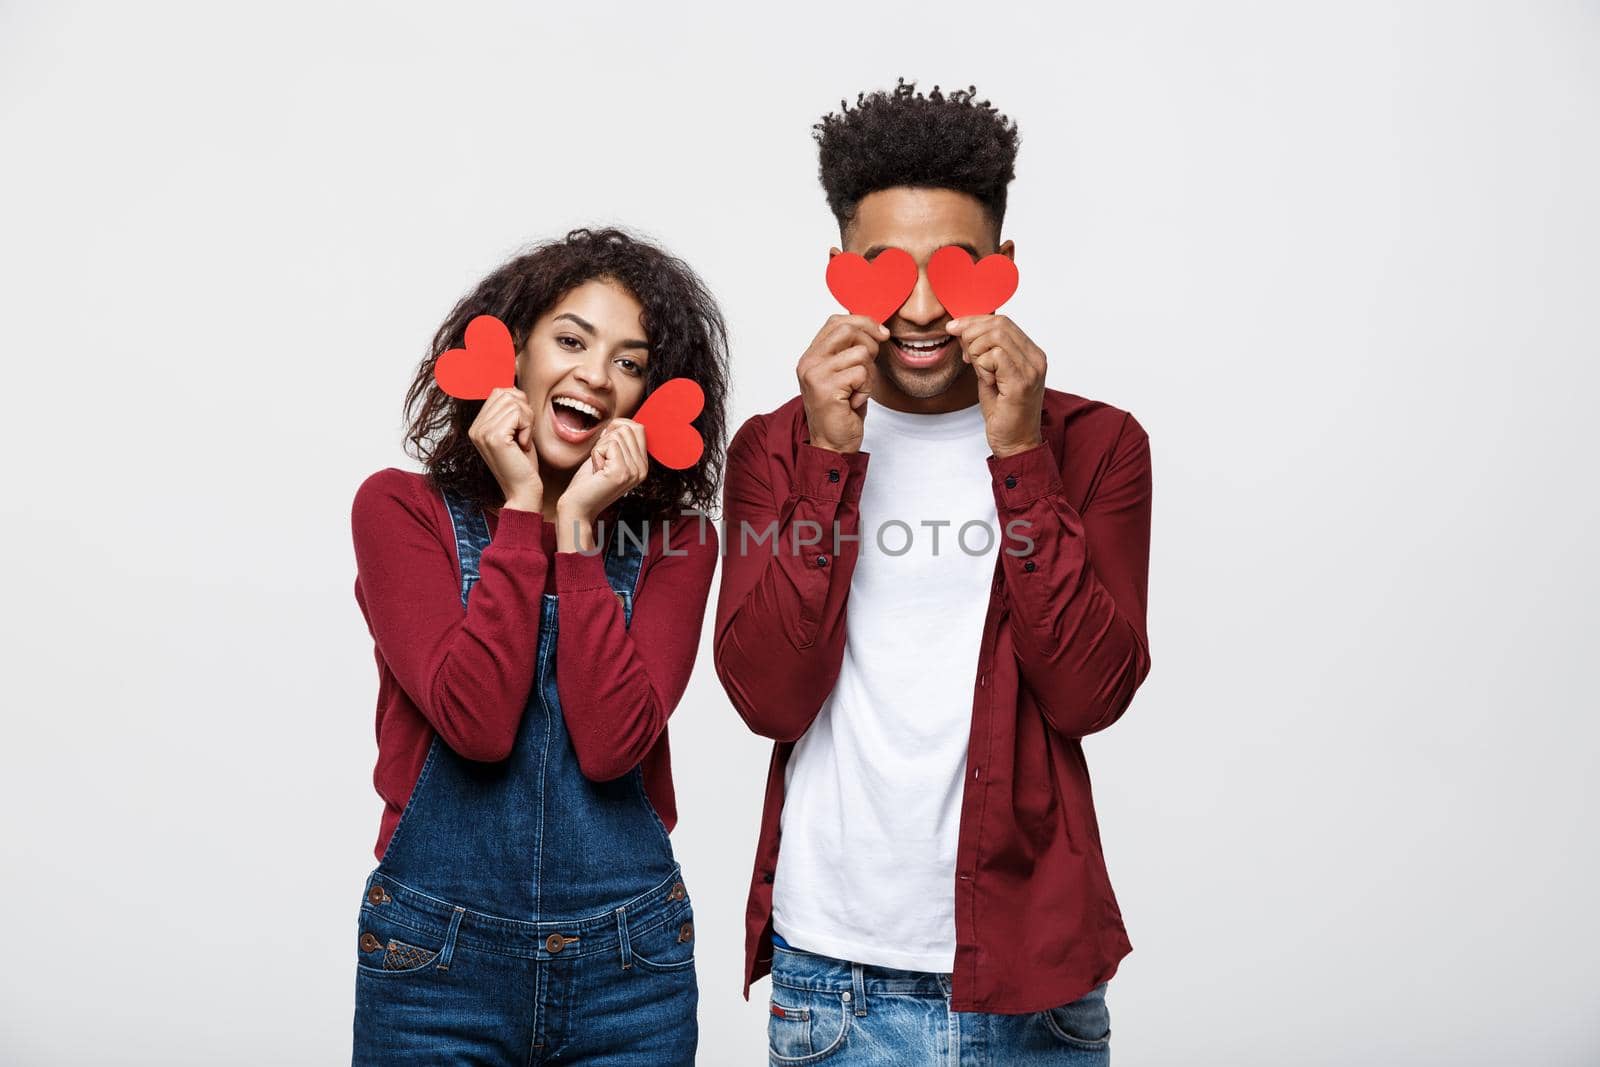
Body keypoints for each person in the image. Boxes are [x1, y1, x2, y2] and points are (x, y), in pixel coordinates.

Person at [713, 80, 1154, 1064]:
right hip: (833, 973)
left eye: (953, 273)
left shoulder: (1098, 445)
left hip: (1032, 985)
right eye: (881, 271)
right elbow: (768, 697)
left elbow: (1089, 691)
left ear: (1003, 269)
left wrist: (1019, 454)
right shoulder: (774, 450)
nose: (918, 309)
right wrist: (830, 458)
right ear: (838, 271)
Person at [348, 227, 727, 1065]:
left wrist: (580, 532)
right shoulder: (398, 511)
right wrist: (525, 510)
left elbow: (610, 745)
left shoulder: (678, 544)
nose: (596, 373)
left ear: (652, 401)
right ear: (511, 356)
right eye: (571, 339)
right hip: (431, 964)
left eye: (630, 362)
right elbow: (474, 721)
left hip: (630, 970)